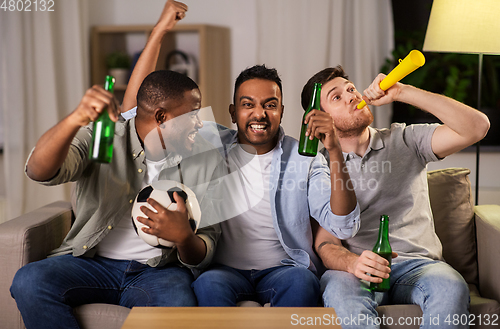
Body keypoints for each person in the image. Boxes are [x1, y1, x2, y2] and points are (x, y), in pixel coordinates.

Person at [120, 0, 361, 307]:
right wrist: (159, 31)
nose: (259, 114)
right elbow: (134, 110)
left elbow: (342, 225)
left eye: (270, 105)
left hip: (284, 269)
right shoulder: (207, 140)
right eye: (248, 105)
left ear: (282, 112)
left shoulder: (305, 158)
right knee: (207, 286)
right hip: (221, 269)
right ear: (233, 112)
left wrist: (335, 151)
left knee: (302, 283)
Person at [10, 4, 224, 329]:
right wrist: (74, 119)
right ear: (162, 118)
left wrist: (183, 238)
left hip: (159, 272)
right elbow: (38, 171)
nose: (200, 123)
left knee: (179, 306)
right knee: (29, 280)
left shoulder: (203, 155)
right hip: (91, 262)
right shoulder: (106, 137)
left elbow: (205, 247)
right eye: (192, 115)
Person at [301, 65, 490, 328]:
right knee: (339, 291)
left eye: (351, 89)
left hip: (420, 266)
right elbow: (326, 244)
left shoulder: (406, 140)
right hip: (358, 270)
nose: (352, 96)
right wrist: (353, 263)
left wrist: (403, 91)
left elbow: (478, 127)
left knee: (451, 287)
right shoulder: (320, 167)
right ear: (319, 119)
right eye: (337, 97)